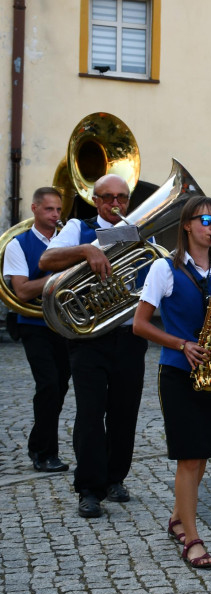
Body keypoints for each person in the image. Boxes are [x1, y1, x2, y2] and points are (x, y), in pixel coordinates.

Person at [133, 196, 211, 569]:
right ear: (187, 226)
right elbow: (140, 324)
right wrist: (182, 343)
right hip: (179, 371)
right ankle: (191, 538)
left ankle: (178, 518)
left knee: (202, 453)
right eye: (205, 219)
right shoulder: (164, 269)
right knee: (189, 456)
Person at [39, 174, 149, 519]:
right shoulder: (78, 226)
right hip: (88, 337)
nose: (115, 204)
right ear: (96, 200)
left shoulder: (138, 228)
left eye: (122, 197)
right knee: (90, 413)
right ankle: (89, 488)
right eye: (108, 198)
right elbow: (46, 261)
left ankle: (115, 478)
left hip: (130, 335)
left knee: (124, 411)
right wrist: (87, 250)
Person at [2, 187, 71, 472]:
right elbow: (21, 291)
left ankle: (36, 443)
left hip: (65, 325)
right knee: (48, 386)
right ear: (34, 209)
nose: (55, 215)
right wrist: (62, 276)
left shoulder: (68, 242)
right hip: (34, 325)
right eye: (49, 209)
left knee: (60, 387)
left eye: (58, 210)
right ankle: (46, 453)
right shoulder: (19, 245)